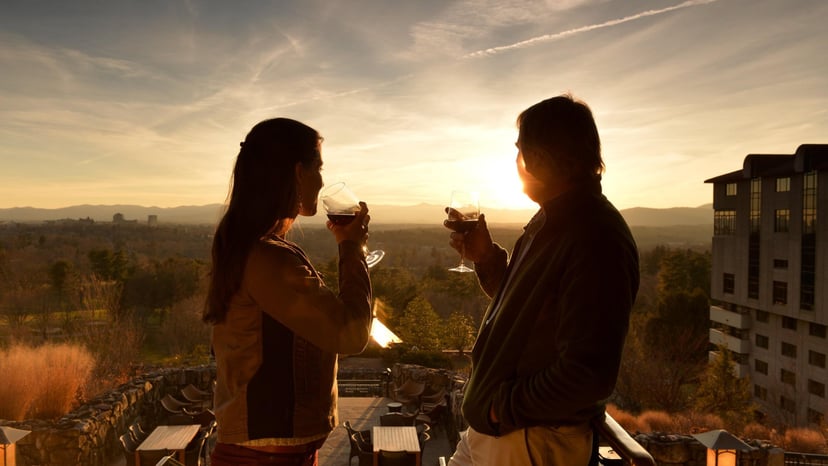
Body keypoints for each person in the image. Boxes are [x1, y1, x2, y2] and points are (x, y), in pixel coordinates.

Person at [446, 94, 639, 466]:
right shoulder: (555, 222)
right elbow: (526, 310)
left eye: (520, 152)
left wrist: (501, 409)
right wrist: (486, 257)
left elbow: (588, 374)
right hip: (495, 435)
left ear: (538, 158)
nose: (518, 163)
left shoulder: (594, 235)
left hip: (528, 441)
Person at [203, 118, 373, 466]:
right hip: (264, 458)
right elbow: (351, 333)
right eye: (319, 168)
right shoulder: (268, 259)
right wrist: (352, 249)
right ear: (298, 172)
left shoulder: (252, 248)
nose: (322, 180)